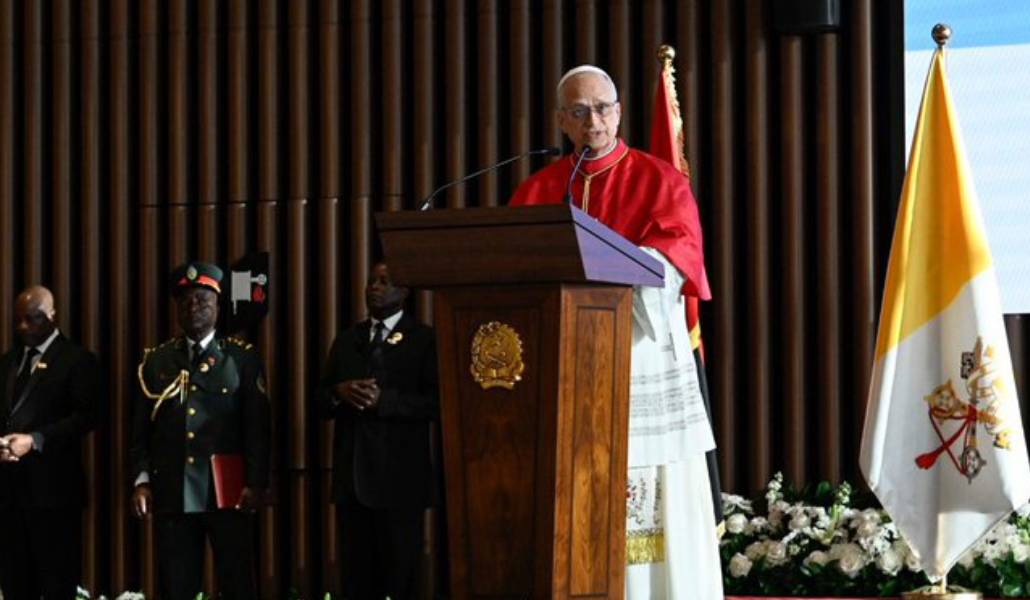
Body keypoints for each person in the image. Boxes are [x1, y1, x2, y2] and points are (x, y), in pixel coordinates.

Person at [510, 65, 723, 600]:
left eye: (603, 108)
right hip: (563, 371)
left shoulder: (660, 180)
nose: (593, 122)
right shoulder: (538, 190)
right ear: (561, 121)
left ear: (620, 112)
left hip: (637, 356)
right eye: (579, 112)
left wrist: (617, 269)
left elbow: (679, 257)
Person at [129, 261, 271, 600]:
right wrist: (141, 481)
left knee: (237, 582)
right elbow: (140, 431)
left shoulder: (241, 358)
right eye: (186, 300)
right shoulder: (157, 361)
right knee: (176, 586)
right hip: (173, 489)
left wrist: (256, 482)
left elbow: (257, 427)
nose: (194, 307)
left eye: (203, 300)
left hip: (228, 490)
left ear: (218, 306)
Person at [317, 262, 439, 600]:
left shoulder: (424, 339)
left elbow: (436, 404)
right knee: (355, 582)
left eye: (385, 282)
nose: (374, 287)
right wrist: (338, 393)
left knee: (401, 579)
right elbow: (318, 402)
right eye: (371, 281)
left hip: (401, 482)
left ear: (405, 291)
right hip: (352, 483)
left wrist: (384, 401)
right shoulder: (347, 340)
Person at [0, 285, 100, 600]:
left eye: (32, 318)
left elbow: (87, 417)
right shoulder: (8, 361)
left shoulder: (77, 360)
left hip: (54, 495)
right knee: (15, 586)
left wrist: (35, 440)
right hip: (9, 495)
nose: (23, 326)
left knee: (57, 585)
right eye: (18, 319)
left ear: (52, 316)